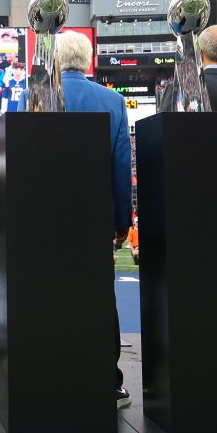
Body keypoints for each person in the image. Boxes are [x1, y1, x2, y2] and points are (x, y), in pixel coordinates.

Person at [56, 29, 135, 408]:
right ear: (88, 60)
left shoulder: (36, 97)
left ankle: (53, 369)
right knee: (102, 297)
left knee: (52, 293)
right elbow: (121, 166)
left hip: (48, 217)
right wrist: (122, 221)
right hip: (96, 215)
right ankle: (107, 377)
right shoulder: (112, 101)